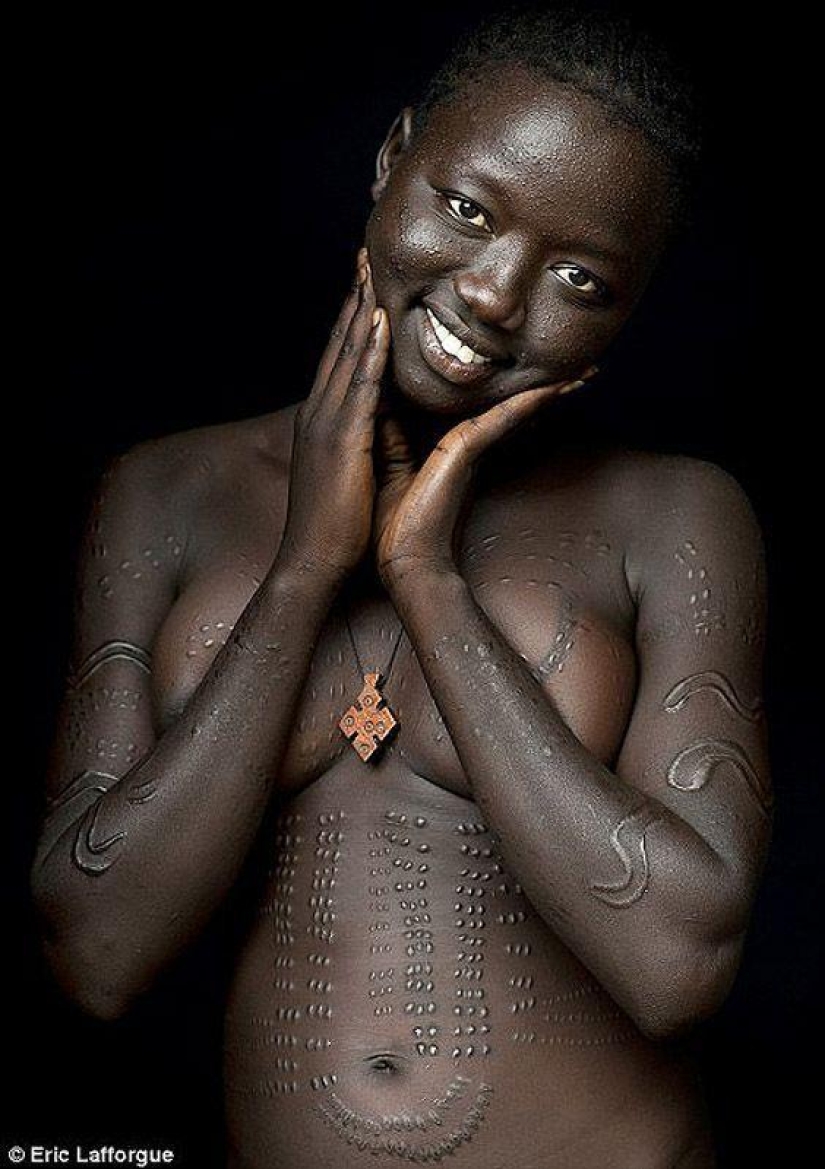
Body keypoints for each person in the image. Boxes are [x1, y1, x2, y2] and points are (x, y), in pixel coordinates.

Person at [31, 4, 771, 1166]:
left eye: (580, 274)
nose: (493, 293)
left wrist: (426, 579)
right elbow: (97, 954)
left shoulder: (670, 516)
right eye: (468, 211)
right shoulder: (163, 495)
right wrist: (303, 571)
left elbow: (678, 965)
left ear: (627, 313)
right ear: (394, 158)